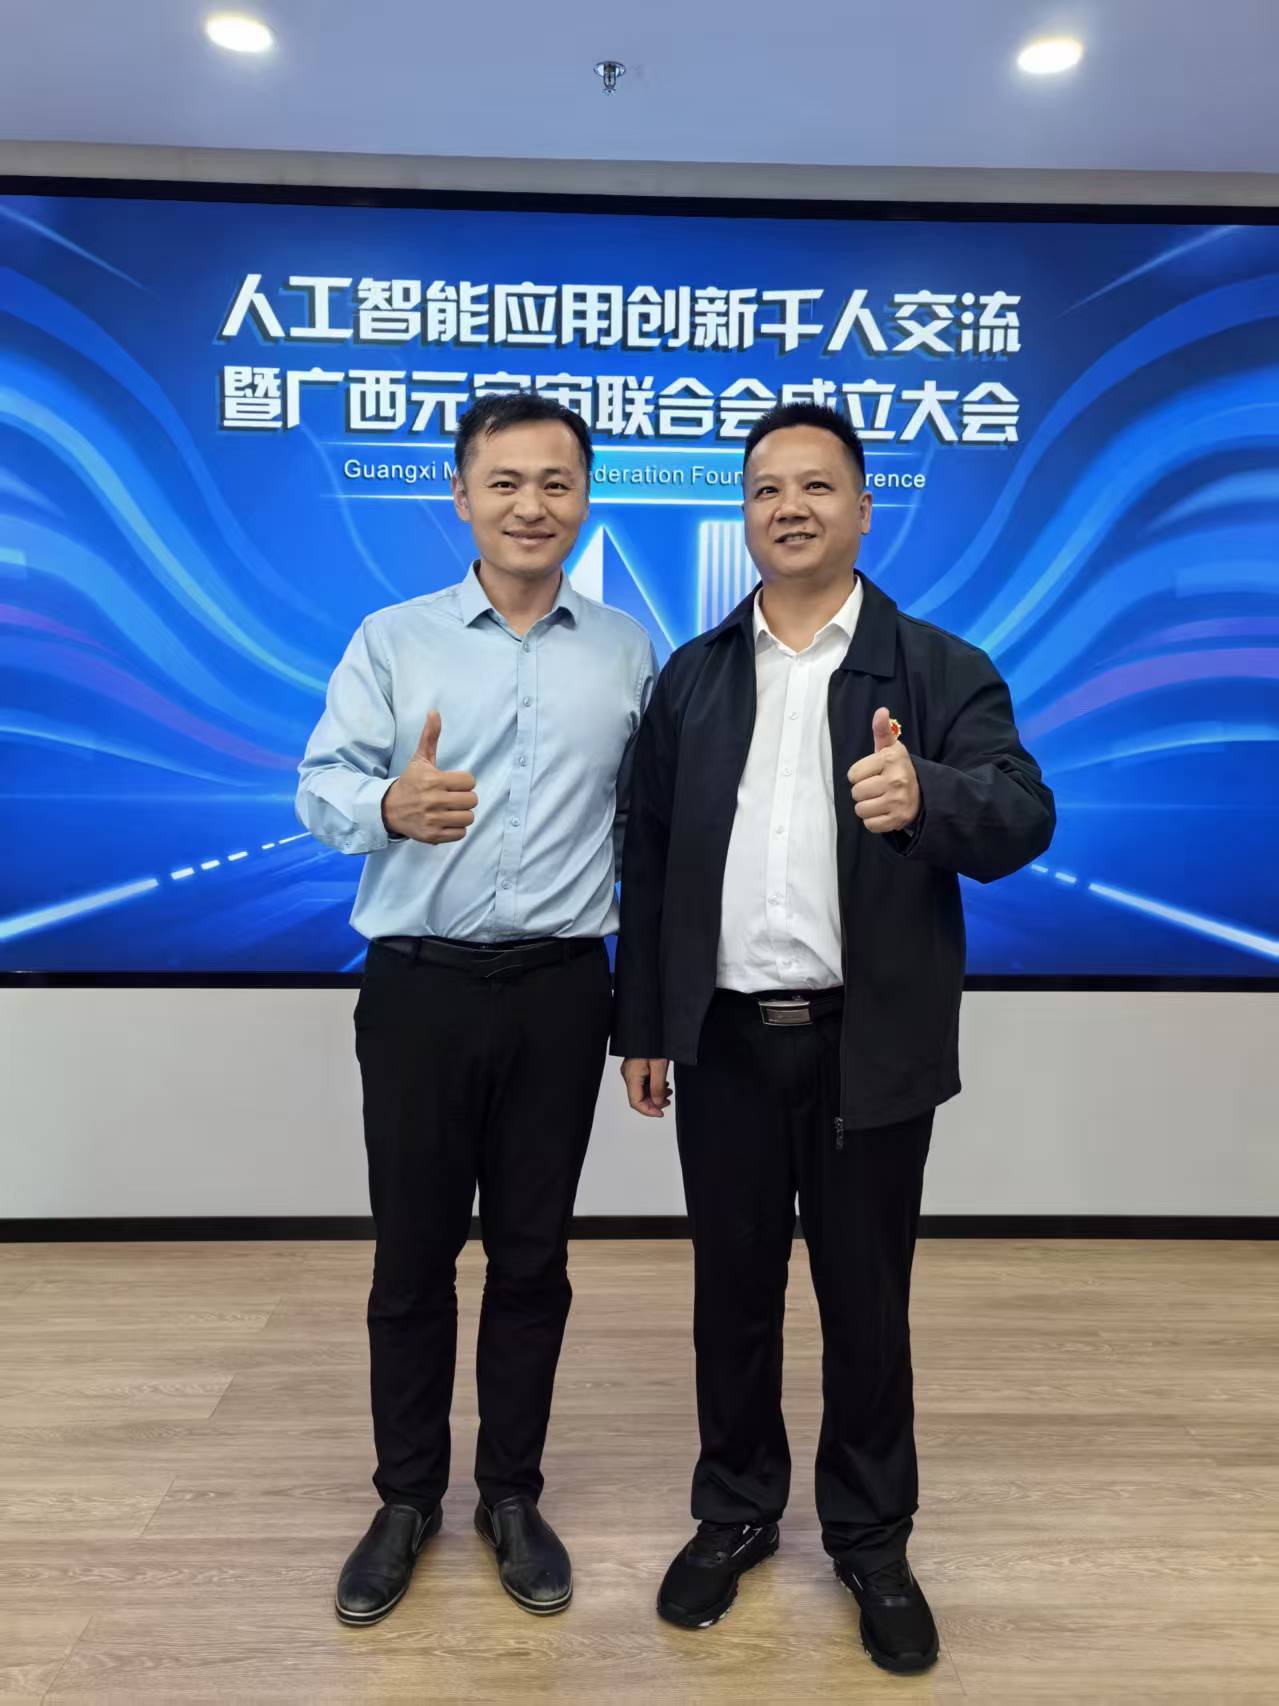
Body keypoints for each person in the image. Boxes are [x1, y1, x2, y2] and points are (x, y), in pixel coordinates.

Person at [613, 402, 1054, 1673]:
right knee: (732, 1294)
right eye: (765, 488)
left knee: (865, 1300)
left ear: (863, 509)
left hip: (868, 1041)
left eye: (815, 485)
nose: (788, 506)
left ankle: (869, 1537)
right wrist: (643, 1021)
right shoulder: (694, 676)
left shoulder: (938, 667)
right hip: (724, 1039)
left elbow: (1024, 814)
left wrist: (929, 795)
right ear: (743, 513)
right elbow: (646, 852)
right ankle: (736, 1509)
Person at [297, 392, 656, 1627]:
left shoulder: (628, 650)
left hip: (561, 987)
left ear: (585, 498)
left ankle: (510, 1492)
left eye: (556, 482)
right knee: (410, 1258)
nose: (530, 505)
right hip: (420, 988)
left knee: (532, 1257)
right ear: (459, 495)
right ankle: (405, 1499)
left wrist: (646, 1005)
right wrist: (387, 808)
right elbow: (320, 782)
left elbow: (645, 829)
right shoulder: (392, 639)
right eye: (504, 481)